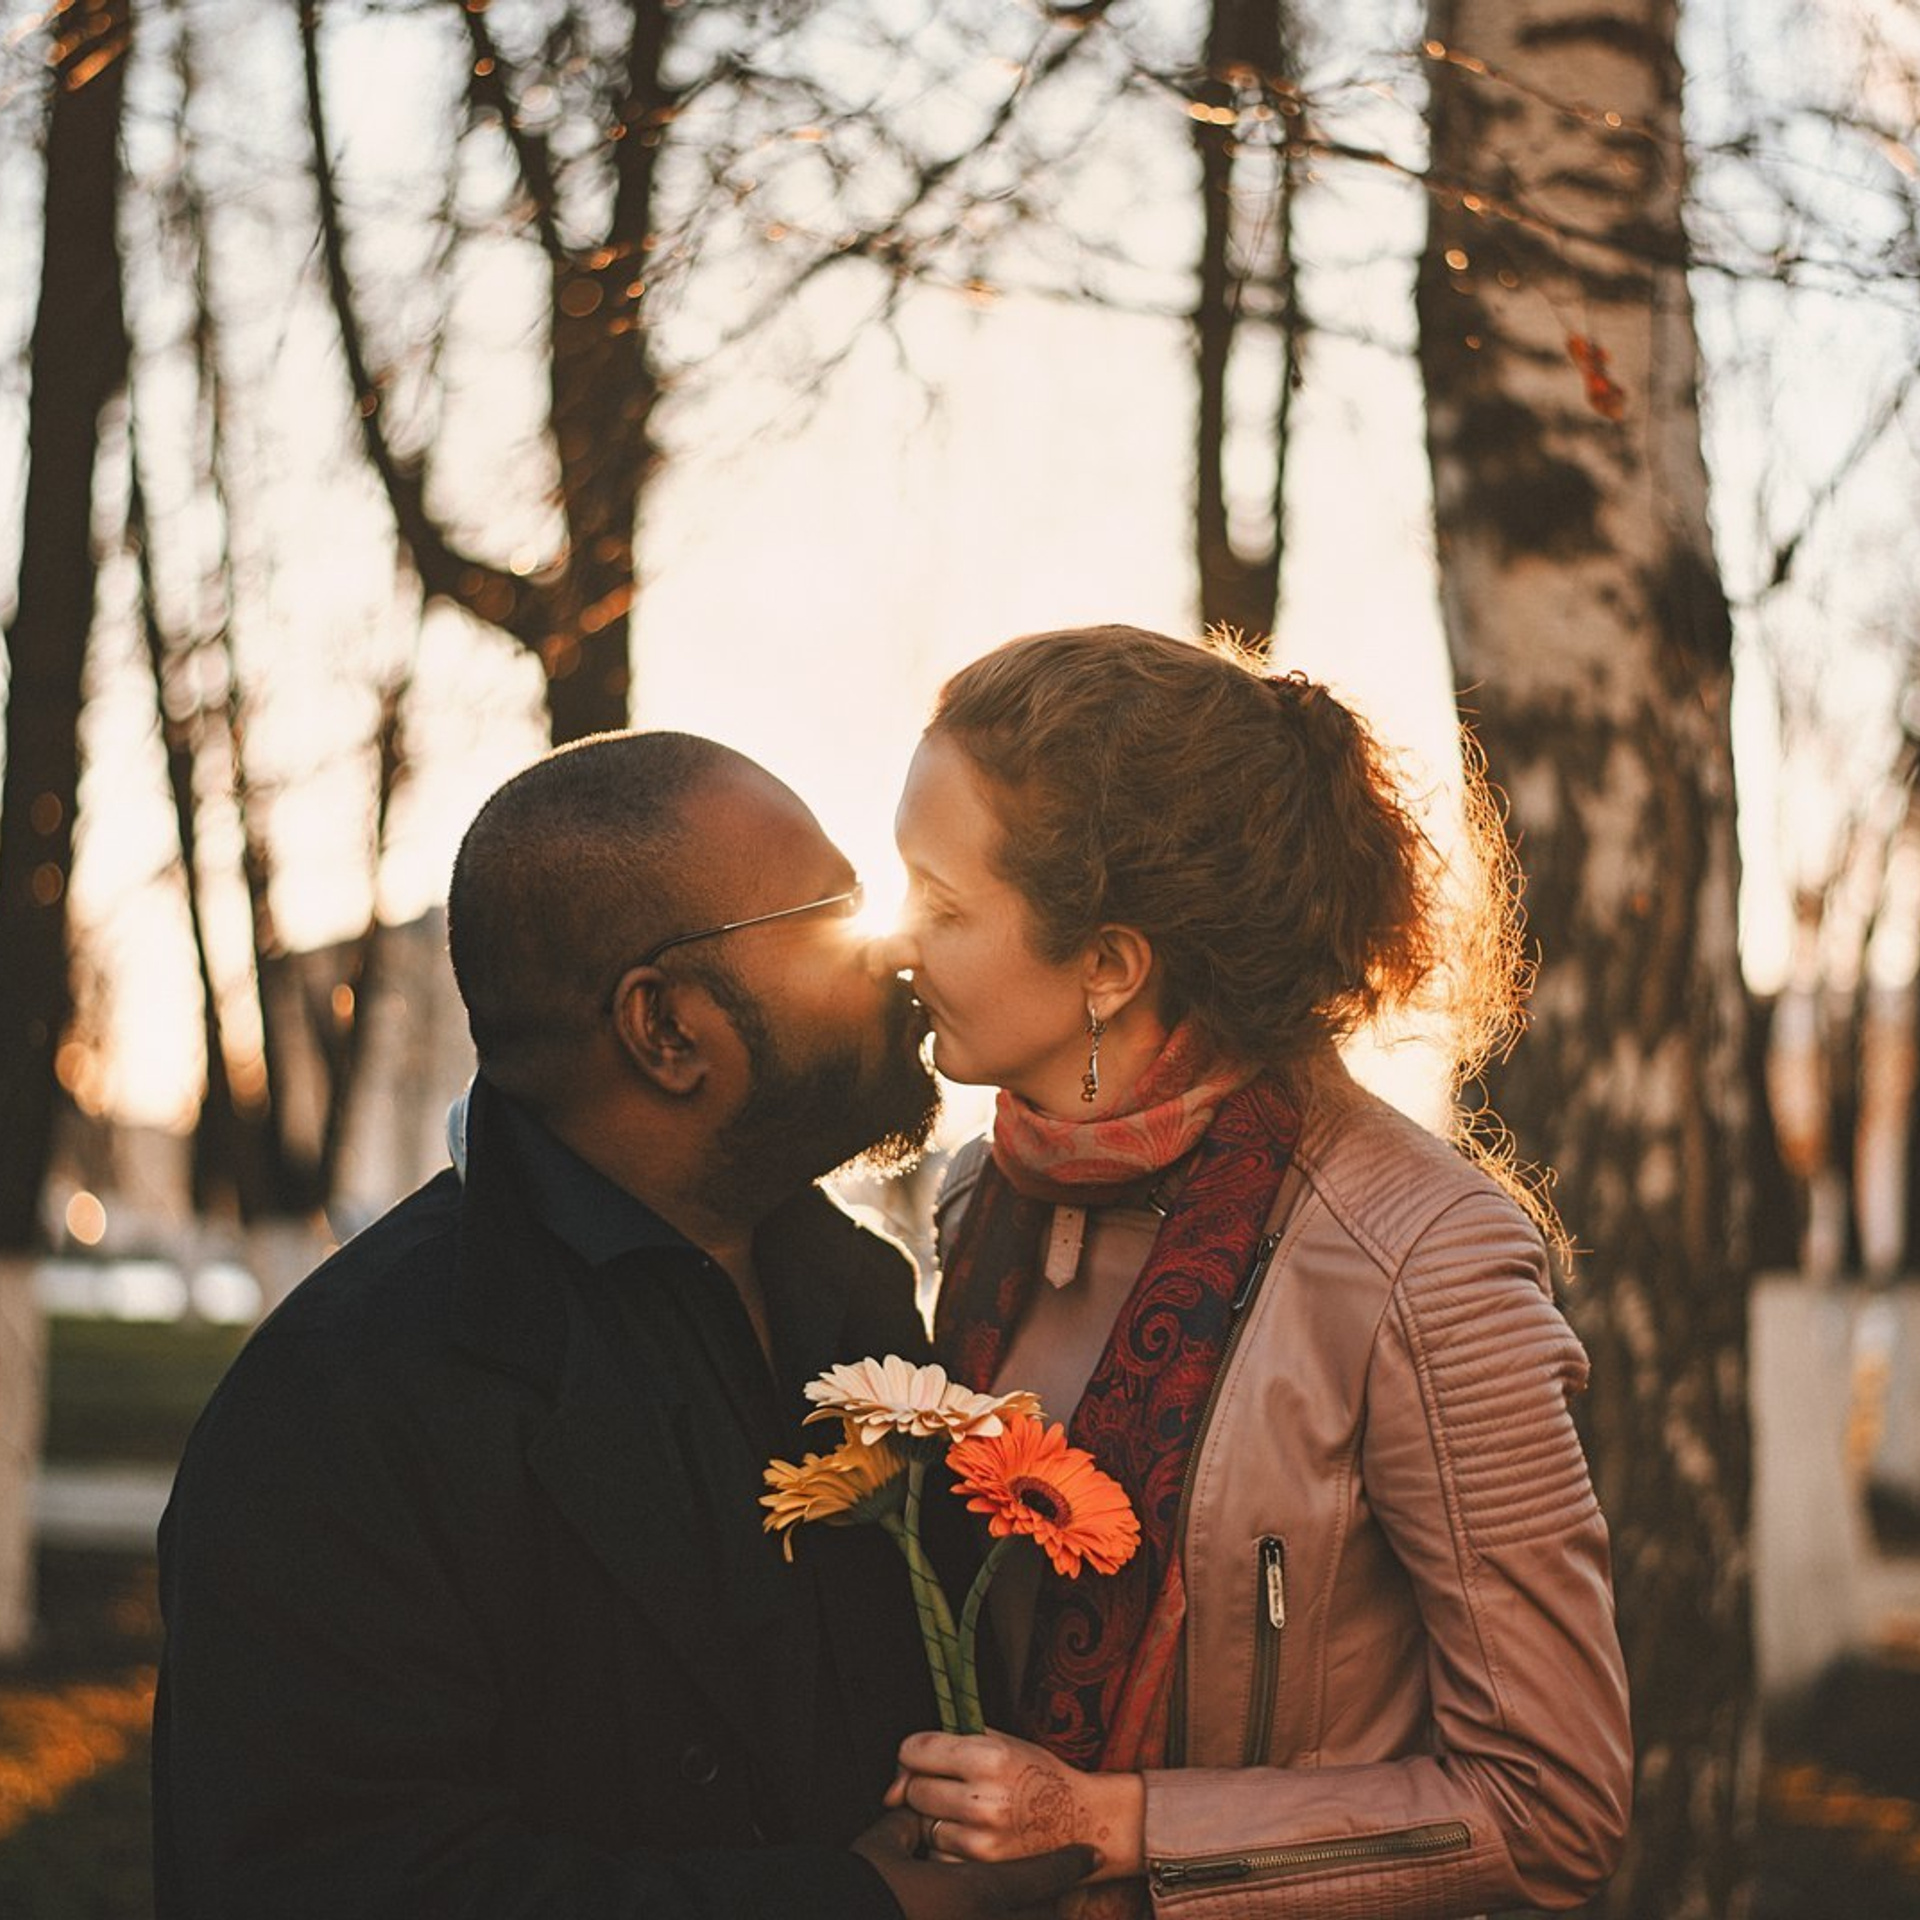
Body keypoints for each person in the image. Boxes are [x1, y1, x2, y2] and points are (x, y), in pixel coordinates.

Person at [153, 731, 1096, 1920]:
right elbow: (320, 1883)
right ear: (666, 1029)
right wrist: (854, 1907)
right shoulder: (341, 1410)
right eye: (834, 918)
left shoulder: (856, 1300)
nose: (899, 949)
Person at [876, 627, 1633, 1916]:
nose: (898, 942)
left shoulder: (1420, 1263)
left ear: (1109, 965)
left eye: (944, 905)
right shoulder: (983, 1203)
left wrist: (1114, 1826)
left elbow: (1552, 1807)